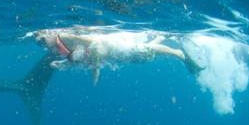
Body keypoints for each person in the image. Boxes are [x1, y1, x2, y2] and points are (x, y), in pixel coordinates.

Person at [33, 27, 204, 84]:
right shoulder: (57, 47)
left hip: (114, 47)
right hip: (114, 55)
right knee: (145, 53)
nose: (41, 43)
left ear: (49, 33)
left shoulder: (65, 37)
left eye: (41, 39)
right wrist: (64, 65)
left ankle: (179, 53)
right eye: (38, 42)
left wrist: (96, 68)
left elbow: (94, 44)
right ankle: (161, 36)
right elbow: (79, 57)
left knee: (146, 54)